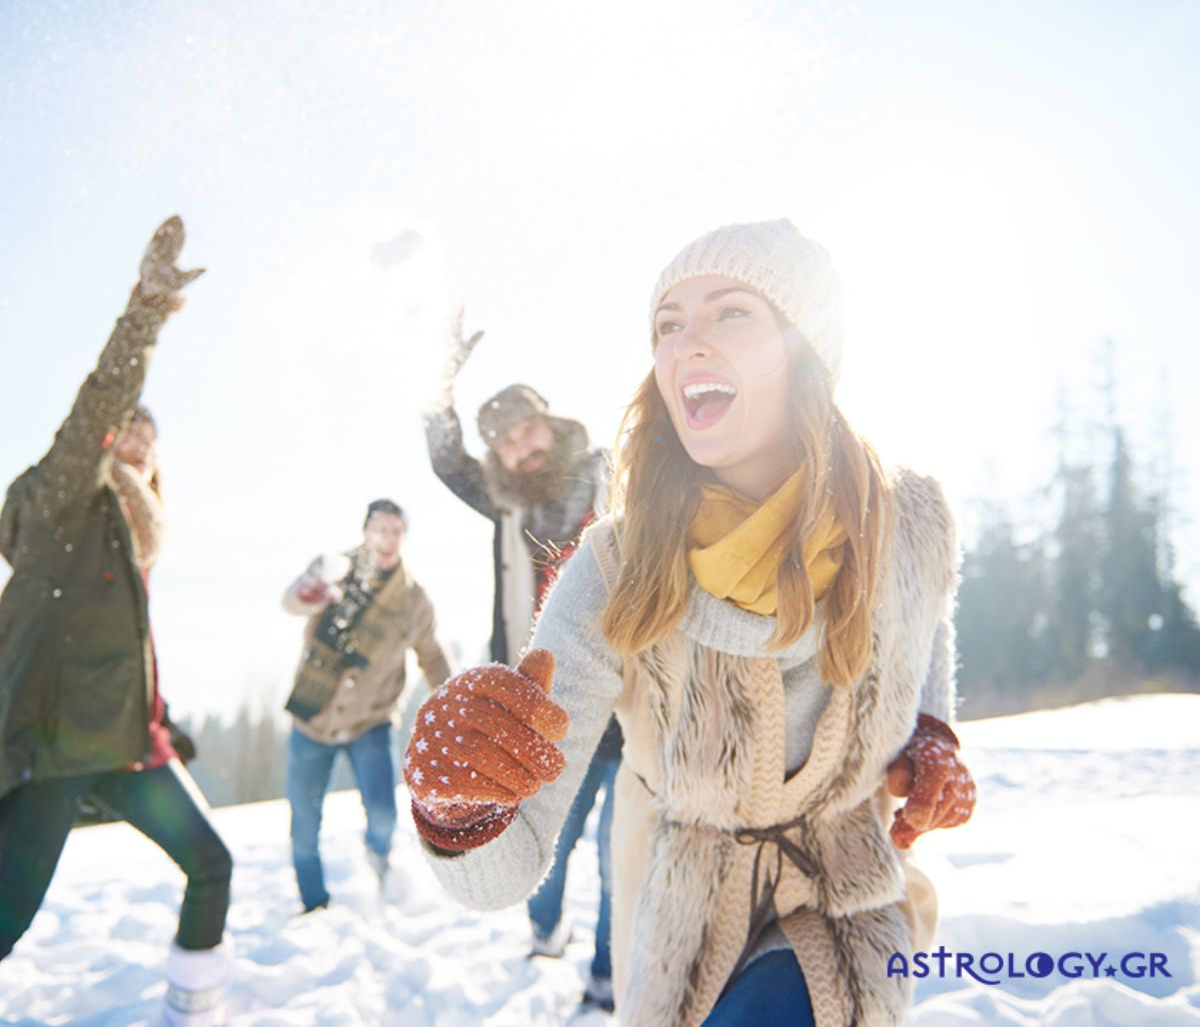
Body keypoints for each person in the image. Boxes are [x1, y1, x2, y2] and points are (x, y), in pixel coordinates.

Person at [403, 219, 977, 1026]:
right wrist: (460, 807)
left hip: (849, 898)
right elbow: (499, 871)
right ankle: (579, 953)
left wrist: (930, 731)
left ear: (805, 342)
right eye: (668, 326)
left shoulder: (908, 520)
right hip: (639, 809)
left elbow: (929, 619)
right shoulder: (608, 561)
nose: (686, 345)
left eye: (730, 313)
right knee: (586, 843)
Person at [0, 217, 234, 1027]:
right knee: (5, 922)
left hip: (128, 741)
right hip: (56, 747)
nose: (137, 436)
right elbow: (94, 409)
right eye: (127, 426)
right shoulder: (66, 496)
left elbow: (117, 643)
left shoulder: (137, 538)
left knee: (211, 862)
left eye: (149, 433)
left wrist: (155, 715)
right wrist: (144, 312)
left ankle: (191, 1008)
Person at [425, 338, 620, 1008]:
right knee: (550, 838)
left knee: (623, 852)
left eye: (528, 425)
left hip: (636, 695)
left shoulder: (610, 473)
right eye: (504, 439)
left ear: (551, 420)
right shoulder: (506, 502)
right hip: (549, 703)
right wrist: (435, 385)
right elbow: (446, 460)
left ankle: (607, 973)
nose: (521, 444)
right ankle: (545, 927)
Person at [282, 498, 452, 913]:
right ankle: (314, 906)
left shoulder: (413, 599)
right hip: (313, 718)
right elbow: (292, 602)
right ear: (365, 531)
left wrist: (453, 705)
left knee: (382, 815)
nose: (388, 538)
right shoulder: (334, 570)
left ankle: (378, 855)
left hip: (371, 722)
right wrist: (310, 592)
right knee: (304, 826)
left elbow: (431, 655)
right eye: (381, 528)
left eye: (396, 530)